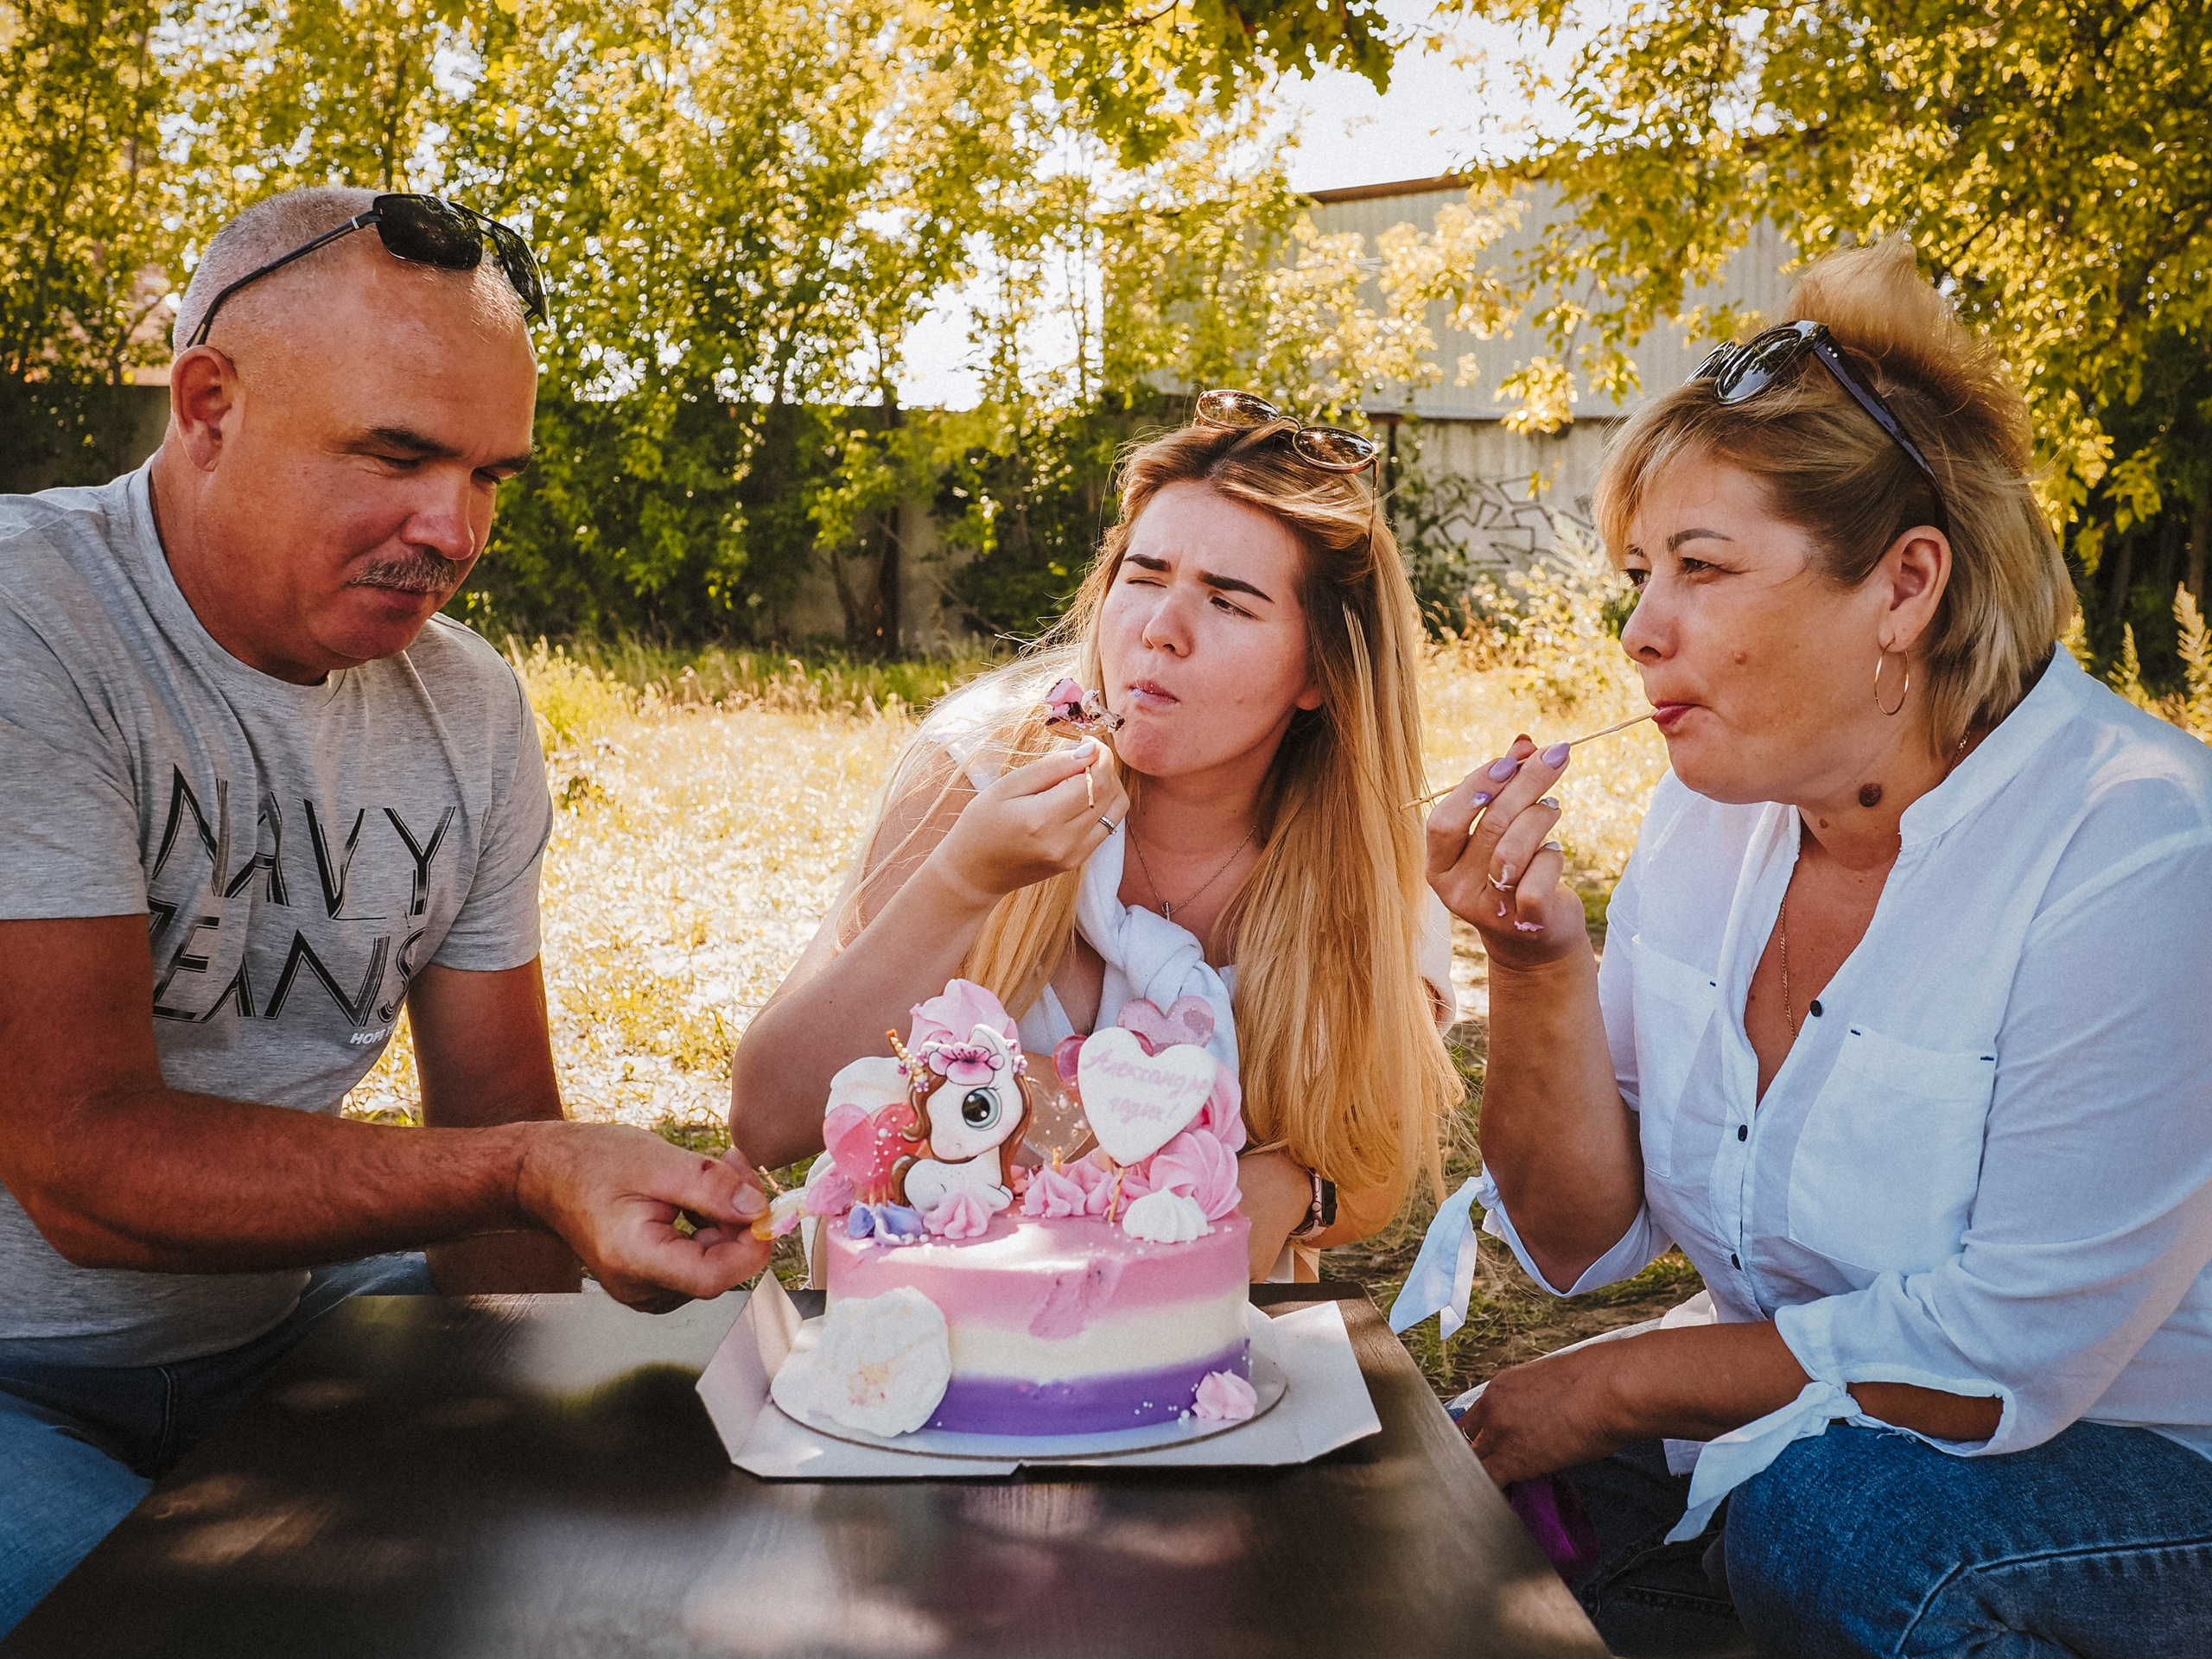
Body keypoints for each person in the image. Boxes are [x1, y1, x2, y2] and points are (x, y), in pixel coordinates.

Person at [1410, 235, 2212, 1656]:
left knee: (1843, 1525)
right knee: (1446, 1520)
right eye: (1639, 575)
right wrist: (1538, 970)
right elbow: (1577, 1243)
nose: (1642, 631)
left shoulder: (2137, 850)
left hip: (2152, 1471)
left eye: (1699, 570)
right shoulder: (1706, 823)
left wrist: (1607, 1390)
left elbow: (2000, 1362)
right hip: (1817, 1433)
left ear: (1905, 587)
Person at [0, 187, 772, 1635]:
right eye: (399, 454)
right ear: (211, 405)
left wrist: (595, 1259)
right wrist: (528, 1170)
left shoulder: (464, 706)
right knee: (193, 1626)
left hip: (282, 1322)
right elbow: (81, 1166)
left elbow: (497, 1135)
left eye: (492, 476)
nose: (454, 528)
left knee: (660, 1519)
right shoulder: (27, 625)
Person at [731, 397, 1463, 1278]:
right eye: (1145, 577)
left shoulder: (1368, 862)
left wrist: (1287, 1194)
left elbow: (1368, 1168)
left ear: (1318, 672)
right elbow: (769, 1117)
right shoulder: (979, 767)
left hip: (1201, 1374)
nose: (1160, 628)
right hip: (918, 1351)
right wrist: (963, 882)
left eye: (1229, 602)